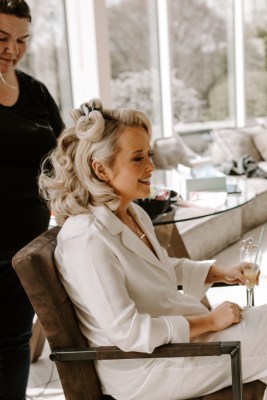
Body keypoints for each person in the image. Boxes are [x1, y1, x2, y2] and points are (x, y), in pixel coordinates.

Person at [38, 99, 267, 400]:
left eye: (150, 154)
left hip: (175, 347)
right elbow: (129, 332)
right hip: (148, 368)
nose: (151, 166)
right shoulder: (86, 239)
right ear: (101, 170)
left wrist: (218, 271)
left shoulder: (132, 213)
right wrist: (209, 322)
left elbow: (155, 267)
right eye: (137, 158)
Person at [0, 1, 65, 398]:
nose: (12, 49)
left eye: (22, 40)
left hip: (24, 252)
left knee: (13, 343)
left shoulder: (35, 90)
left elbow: (63, 155)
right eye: (2, 38)